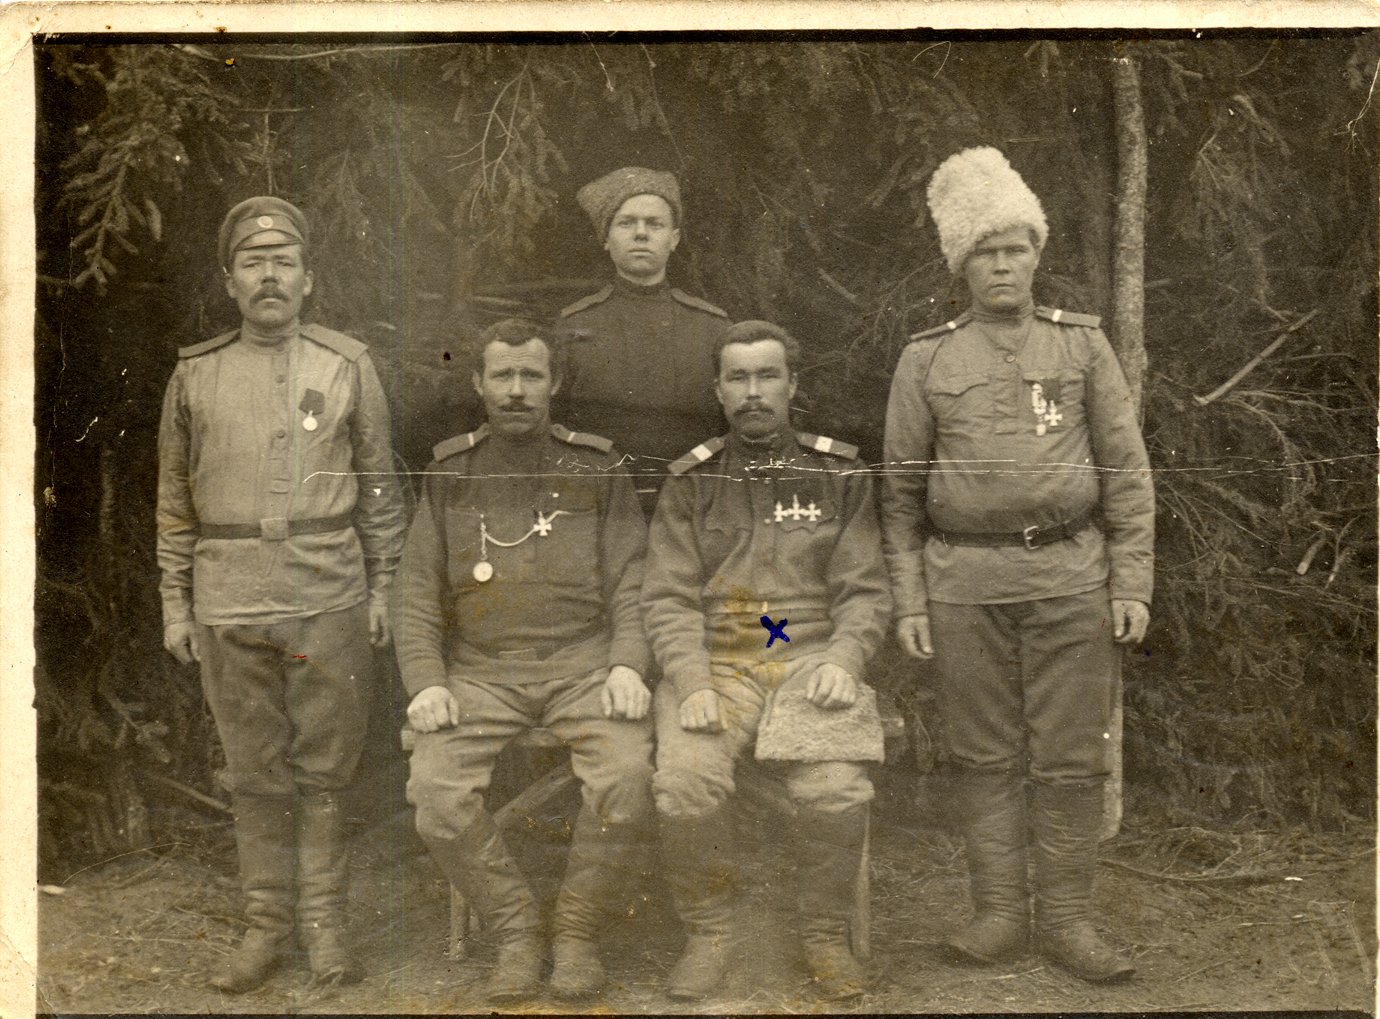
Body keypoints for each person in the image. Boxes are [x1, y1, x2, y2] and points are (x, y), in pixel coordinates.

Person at [880, 147, 1155, 983]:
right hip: (964, 585)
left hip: (1071, 577)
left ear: (1037, 254)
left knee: (1071, 757)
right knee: (983, 754)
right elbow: (899, 494)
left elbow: (1126, 470)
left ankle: (1068, 921)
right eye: (985, 252)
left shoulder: (1082, 345)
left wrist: (1132, 580)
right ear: (961, 266)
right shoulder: (927, 358)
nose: (1002, 265)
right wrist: (910, 600)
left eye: (1016, 248)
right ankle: (999, 912)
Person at [157, 196, 405, 993]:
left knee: (325, 769)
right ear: (229, 281)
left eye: (284, 262)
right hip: (229, 597)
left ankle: (325, 926)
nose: (269, 276)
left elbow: (380, 488)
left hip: (328, 590)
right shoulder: (196, 373)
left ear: (308, 278)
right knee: (255, 770)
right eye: (253, 263)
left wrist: (383, 586)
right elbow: (174, 502)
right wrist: (175, 603)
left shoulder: (345, 365)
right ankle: (266, 927)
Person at [396, 319, 654, 1003]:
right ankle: (516, 929)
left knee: (627, 777)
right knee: (437, 795)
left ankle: (576, 932)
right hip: (480, 671)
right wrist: (426, 682)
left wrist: (628, 664)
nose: (516, 390)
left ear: (554, 383)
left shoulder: (598, 468)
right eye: (502, 375)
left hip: (585, 665)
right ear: (478, 383)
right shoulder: (450, 473)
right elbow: (415, 593)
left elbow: (634, 580)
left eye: (530, 375)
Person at [643, 320, 891, 1002]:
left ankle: (825, 935)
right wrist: (690, 680)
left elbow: (866, 590)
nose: (754, 392)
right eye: (739, 378)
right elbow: (666, 597)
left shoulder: (838, 473)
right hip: (718, 662)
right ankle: (709, 931)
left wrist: (846, 658)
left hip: (809, 658)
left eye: (767, 376)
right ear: (719, 391)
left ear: (792, 385)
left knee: (835, 788)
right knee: (685, 783)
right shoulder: (691, 481)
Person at [560, 167, 730, 513]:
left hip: (696, 503)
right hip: (599, 503)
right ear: (606, 239)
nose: (641, 233)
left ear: (674, 239)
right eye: (626, 223)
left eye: (655, 224)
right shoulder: (573, 326)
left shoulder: (713, 327)